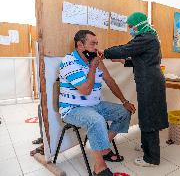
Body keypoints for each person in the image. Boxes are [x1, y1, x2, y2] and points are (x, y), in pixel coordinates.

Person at [59, 30, 136, 176]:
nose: (96, 48)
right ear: (80, 45)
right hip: (73, 109)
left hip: (95, 105)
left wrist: (124, 101)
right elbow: (86, 90)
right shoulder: (69, 62)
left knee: (124, 112)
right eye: (92, 44)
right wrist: (93, 67)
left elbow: (110, 81)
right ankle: (99, 166)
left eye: (97, 44)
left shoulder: (95, 60)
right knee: (97, 120)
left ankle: (103, 148)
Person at [98, 12, 169, 167]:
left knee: (148, 116)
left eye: (130, 26)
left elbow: (126, 49)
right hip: (150, 80)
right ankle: (146, 146)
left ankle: (151, 158)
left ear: (138, 25)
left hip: (150, 83)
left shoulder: (146, 38)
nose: (129, 29)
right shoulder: (150, 37)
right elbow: (143, 58)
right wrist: (123, 60)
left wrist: (105, 52)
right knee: (146, 114)